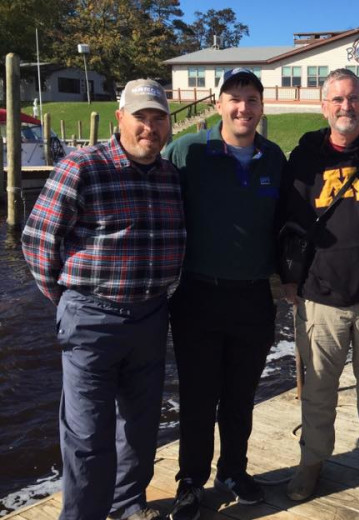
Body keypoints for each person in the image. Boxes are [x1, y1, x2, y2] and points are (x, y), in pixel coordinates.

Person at [21, 79, 185, 520]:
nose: (149, 127)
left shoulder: (170, 175)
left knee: (140, 426)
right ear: (120, 119)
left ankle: (129, 504)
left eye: (158, 118)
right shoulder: (83, 167)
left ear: (168, 123)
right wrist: (67, 300)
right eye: (140, 118)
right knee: (87, 435)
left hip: (151, 315)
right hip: (92, 319)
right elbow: (37, 242)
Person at [162, 68, 285, 518]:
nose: (242, 108)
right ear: (218, 105)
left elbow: (285, 224)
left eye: (251, 99)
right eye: (234, 99)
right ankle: (190, 480)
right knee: (198, 395)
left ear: (261, 106)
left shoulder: (274, 157)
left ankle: (232, 469)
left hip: (254, 296)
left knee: (240, 394)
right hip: (198, 294)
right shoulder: (187, 151)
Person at [278, 68, 359, 501]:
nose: (345, 107)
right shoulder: (304, 158)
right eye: (337, 100)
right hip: (320, 296)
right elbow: (286, 223)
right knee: (318, 390)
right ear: (323, 106)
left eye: (353, 99)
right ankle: (313, 460)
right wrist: (287, 278)